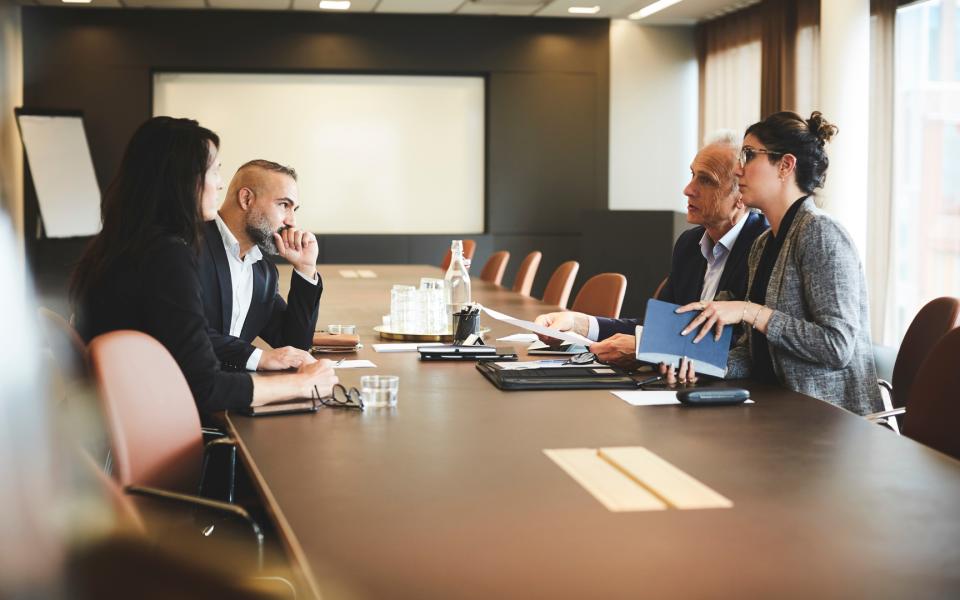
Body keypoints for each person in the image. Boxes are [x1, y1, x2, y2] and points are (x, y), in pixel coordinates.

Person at [72, 117, 337, 414]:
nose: (220, 183)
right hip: (157, 421)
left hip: (127, 417)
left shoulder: (128, 243)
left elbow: (293, 348)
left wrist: (305, 269)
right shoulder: (171, 253)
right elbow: (203, 383)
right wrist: (300, 385)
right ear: (182, 178)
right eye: (214, 170)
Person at [675, 111, 882, 415]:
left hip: (829, 420)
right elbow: (755, 352)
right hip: (776, 408)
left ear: (785, 165)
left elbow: (836, 346)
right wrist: (698, 365)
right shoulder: (763, 243)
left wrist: (751, 311)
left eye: (748, 155)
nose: (737, 169)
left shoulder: (821, 233)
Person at [535, 135, 767, 367]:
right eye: (692, 175)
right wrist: (578, 322)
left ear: (741, 195)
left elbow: (747, 347)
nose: (688, 189)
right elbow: (658, 329)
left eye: (706, 180)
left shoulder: (763, 247)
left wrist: (646, 349)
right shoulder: (689, 244)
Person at [200, 159, 321, 372]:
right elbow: (184, 333)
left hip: (233, 394)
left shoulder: (263, 273)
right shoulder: (189, 247)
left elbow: (295, 345)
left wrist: (305, 268)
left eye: (294, 209)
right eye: (284, 205)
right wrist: (259, 357)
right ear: (246, 199)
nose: (292, 221)